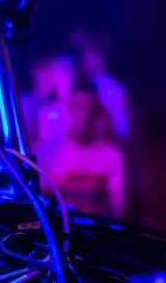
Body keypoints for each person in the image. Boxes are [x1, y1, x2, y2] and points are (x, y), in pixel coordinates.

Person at [36, 84, 127, 218]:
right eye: (78, 107)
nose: (83, 115)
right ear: (69, 110)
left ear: (97, 113)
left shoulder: (111, 155)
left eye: (89, 109)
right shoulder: (48, 152)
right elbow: (40, 203)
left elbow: (119, 206)